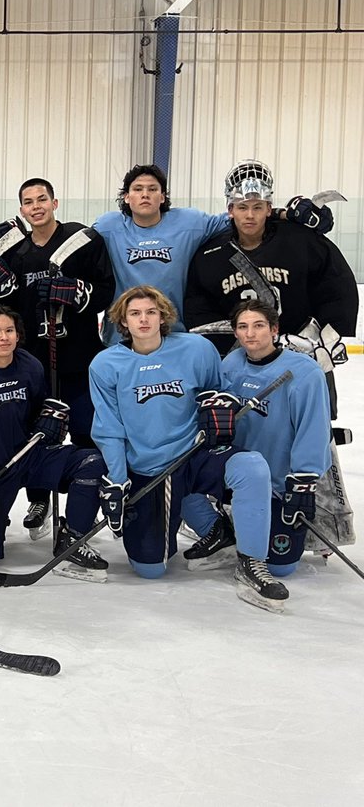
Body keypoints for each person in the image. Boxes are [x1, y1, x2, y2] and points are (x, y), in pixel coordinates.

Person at [88, 285, 280, 610]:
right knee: (150, 568)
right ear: (123, 321)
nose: (144, 319)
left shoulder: (196, 349)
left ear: (163, 316)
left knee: (252, 467)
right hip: (150, 468)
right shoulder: (106, 364)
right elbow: (109, 429)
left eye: (151, 312)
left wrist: (222, 405)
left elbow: (218, 390)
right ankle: (213, 527)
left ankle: (252, 562)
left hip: (195, 455)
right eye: (135, 313)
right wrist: (118, 480)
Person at [0, 177, 113, 537]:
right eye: (28, 202)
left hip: (79, 359)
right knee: (37, 435)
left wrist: (76, 292)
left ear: (54, 203)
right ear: (21, 209)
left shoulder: (83, 240)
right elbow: (8, 306)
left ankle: (84, 505)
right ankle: (39, 498)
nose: (35, 207)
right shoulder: (16, 250)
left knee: (85, 432)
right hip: (35, 362)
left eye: (42, 199)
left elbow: (106, 291)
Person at [179, 301, 330, 610]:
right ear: (235, 332)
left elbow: (314, 429)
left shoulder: (305, 372)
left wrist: (303, 480)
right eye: (243, 327)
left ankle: (250, 532)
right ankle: (221, 533)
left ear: (274, 330)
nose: (250, 334)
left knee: (280, 566)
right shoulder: (231, 364)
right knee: (178, 477)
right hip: (237, 473)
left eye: (259, 326)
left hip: (278, 483)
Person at [0, 306, 108, 580]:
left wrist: (49, 421)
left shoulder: (30, 366)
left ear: (18, 335)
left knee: (92, 462)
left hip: (29, 457)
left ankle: (73, 540)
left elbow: (38, 414)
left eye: (10, 331)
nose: (4, 337)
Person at [95, 162, 337, 338]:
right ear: (126, 197)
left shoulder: (189, 222)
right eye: (138, 189)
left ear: (163, 197)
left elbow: (241, 214)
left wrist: (290, 214)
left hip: (175, 334)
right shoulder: (108, 226)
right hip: (121, 336)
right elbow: (81, 248)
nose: (145, 194)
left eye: (152, 189)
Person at [185, 159, 357, 358]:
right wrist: (229, 350)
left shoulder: (302, 241)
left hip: (304, 353)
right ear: (230, 210)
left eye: (258, 207)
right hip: (242, 360)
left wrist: (327, 335)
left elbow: (337, 286)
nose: (250, 215)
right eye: (242, 207)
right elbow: (200, 310)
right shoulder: (210, 255)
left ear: (269, 208)